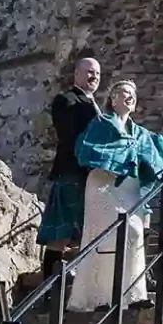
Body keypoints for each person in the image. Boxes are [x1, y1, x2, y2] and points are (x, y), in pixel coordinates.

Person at [66, 80, 163, 313]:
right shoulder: (101, 124)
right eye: (125, 93)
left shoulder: (140, 134)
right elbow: (85, 148)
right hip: (104, 184)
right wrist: (116, 160)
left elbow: (162, 149)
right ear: (113, 99)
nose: (130, 97)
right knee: (106, 239)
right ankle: (101, 299)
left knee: (134, 235)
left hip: (129, 187)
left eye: (133, 94)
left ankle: (133, 295)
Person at [37, 56, 101, 263]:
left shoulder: (96, 105)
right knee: (60, 236)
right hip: (73, 172)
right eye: (90, 71)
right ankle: (48, 288)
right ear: (77, 74)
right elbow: (70, 136)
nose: (94, 76)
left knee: (87, 234)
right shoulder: (67, 100)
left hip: (94, 176)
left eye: (98, 73)